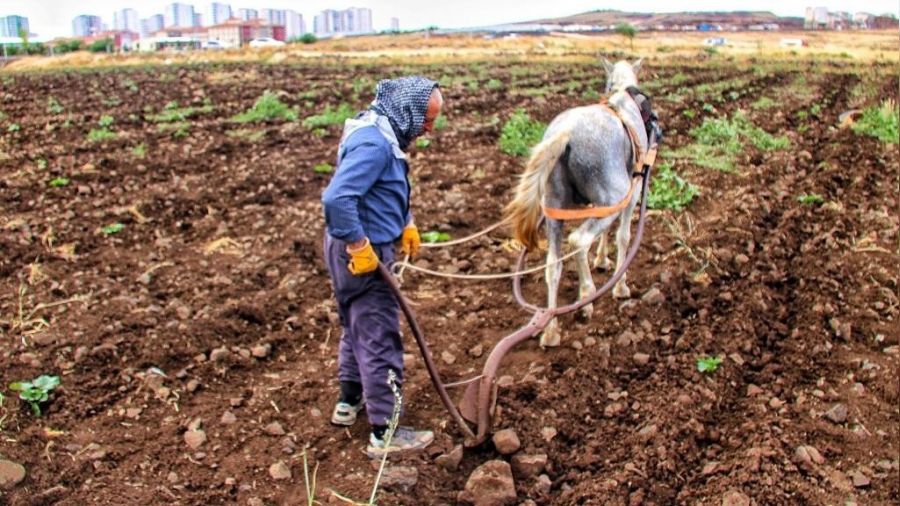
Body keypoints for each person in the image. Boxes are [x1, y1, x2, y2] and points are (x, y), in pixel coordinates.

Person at [321, 76, 443, 459]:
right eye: (427, 119)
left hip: (351, 246)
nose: (429, 127)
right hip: (363, 252)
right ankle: (385, 433)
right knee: (378, 336)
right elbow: (337, 199)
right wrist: (360, 245)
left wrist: (404, 220)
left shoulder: (376, 128)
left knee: (354, 325)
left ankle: (349, 400)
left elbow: (378, 189)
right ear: (408, 109)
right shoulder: (375, 145)